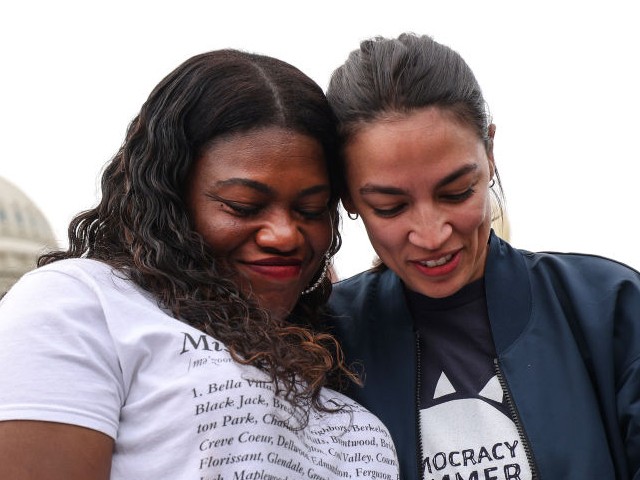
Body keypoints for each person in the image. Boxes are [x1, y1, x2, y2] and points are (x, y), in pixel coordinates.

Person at [0, 49, 400, 479]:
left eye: (310, 209)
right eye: (243, 206)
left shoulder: (336, 351)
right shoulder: (80, 305)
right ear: (171, 200)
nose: (284, 234)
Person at [326, 33, 640, 480]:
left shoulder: (609, 309)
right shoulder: (323, 342)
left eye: (456, 192)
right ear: (348, 198)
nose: (432, 236)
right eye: (391, 207)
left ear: (489, 152)